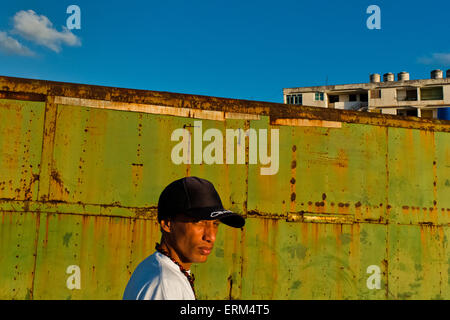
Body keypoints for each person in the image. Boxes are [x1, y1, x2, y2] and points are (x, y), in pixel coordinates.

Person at [122, 176, 245, 300]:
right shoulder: (166, 285)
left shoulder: (154, 268)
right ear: (167, 224)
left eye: (215, 224)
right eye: (199, 222)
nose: (211, 237)